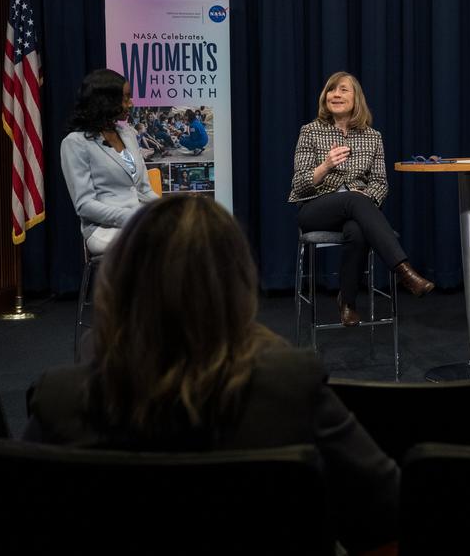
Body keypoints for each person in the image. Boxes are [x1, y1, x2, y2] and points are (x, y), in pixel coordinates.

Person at [23, 194, 399, 554]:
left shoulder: (58, 398)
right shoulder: (291, 386)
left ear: (116, 281)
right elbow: (388, 514)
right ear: (237, 284)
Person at [289, 71, 434, 326]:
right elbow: (299, 185)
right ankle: (404, 271)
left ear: (356, 99)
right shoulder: (310, 131)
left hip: (357, 210)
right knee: (355, 201)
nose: (336, 94)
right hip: (315, 208)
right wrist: (325, 166)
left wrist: (365, 196)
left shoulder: (372, 137)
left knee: (357, 229)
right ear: (325, 98)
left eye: (343, 90)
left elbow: (380, 184)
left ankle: (348, 302)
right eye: (331, 90)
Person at [60, 69, 158, 255]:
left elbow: (144, 189)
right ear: (106, 102)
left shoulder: (128, 134)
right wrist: (133, 217)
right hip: (103, 229)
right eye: (126, 98)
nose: (131, 103)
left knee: (186, 232)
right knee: (158, 243)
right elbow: (85, 205)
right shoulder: (75, 143)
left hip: (139, 222)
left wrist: (169, 210)